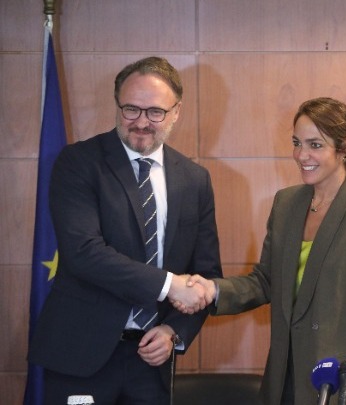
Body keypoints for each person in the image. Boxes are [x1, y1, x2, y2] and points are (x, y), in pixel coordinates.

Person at [179, 97, 346, 404]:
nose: (301, 155)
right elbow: (265, 281)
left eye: (315, 145)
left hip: (337, 388)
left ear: (344, 147)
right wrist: (212, 290)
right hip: (282, 382)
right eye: (297, 143)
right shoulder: (286, 204)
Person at [28, 56, 222, 404]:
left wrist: (173, 331)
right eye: (131, 109)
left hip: (152, 362)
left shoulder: (195, 180)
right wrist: (170, 285)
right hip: (80, 354)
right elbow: (83, 253)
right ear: (117, 104)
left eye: (155, 112)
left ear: (176, 111)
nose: (142, 122)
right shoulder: (78, 162)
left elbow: (206, 272)